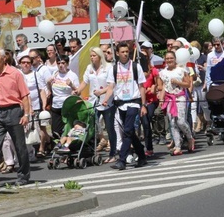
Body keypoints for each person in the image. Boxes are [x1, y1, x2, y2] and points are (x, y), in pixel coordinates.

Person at [0, 47, 32, 189]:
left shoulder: (15, 73)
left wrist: (26, 114)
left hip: (14, 111)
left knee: (19, 146)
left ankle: (23, 175)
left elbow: (25, 95)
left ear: (4, 58)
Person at [104, 42, 148, 170]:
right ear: (117, 53)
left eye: (127, 51)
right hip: (120, 104)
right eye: (122, 52)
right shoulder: (113, 69)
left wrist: (143, 105)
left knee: (128, 130)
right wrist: (106, 99)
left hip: (133, 103)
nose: (125, 54)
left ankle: (122, 160)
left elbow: (141, 87)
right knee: (129, 132)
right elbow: (111, 87)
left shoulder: (136, 66)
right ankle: (141, 154)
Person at [77, 47, 116, 162]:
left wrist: (102, 92)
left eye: (94, 55)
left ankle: (113, 153)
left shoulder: (108, 67)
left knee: (109, 128)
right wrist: (77, 91)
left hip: (107, 101)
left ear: (99, 56)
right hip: (93, 101)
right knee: (93, 125)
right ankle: (91, 151)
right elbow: (84, 82)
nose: (92, 58)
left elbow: (111, 85)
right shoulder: (89, 68)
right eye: (91, 56)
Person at [157, 51, 194, 155]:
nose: (169, 60)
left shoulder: (181, 70)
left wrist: (178, 82)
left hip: (180, 97)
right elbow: (164, 86)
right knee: (172, 123)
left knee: (181, 121)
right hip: (169, 98)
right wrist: (161, 98)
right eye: (167, 58)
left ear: (175, 59)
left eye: (171, 58)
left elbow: (187, 84)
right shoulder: (163, 72)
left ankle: (190, 138)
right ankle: (178, 146)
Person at [45, 53, 79, 138]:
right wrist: (48, 83)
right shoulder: (55, 73)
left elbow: (78, 92)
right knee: (55, 130)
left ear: (67, 64)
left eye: (63, 63)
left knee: (67, 128)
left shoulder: (72, 75)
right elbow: (50, 90)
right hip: (56, 105)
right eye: (59, 63)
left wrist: (71, 85)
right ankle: (59, 145)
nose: (61, 65)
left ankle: (66, 145)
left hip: (67, 106)